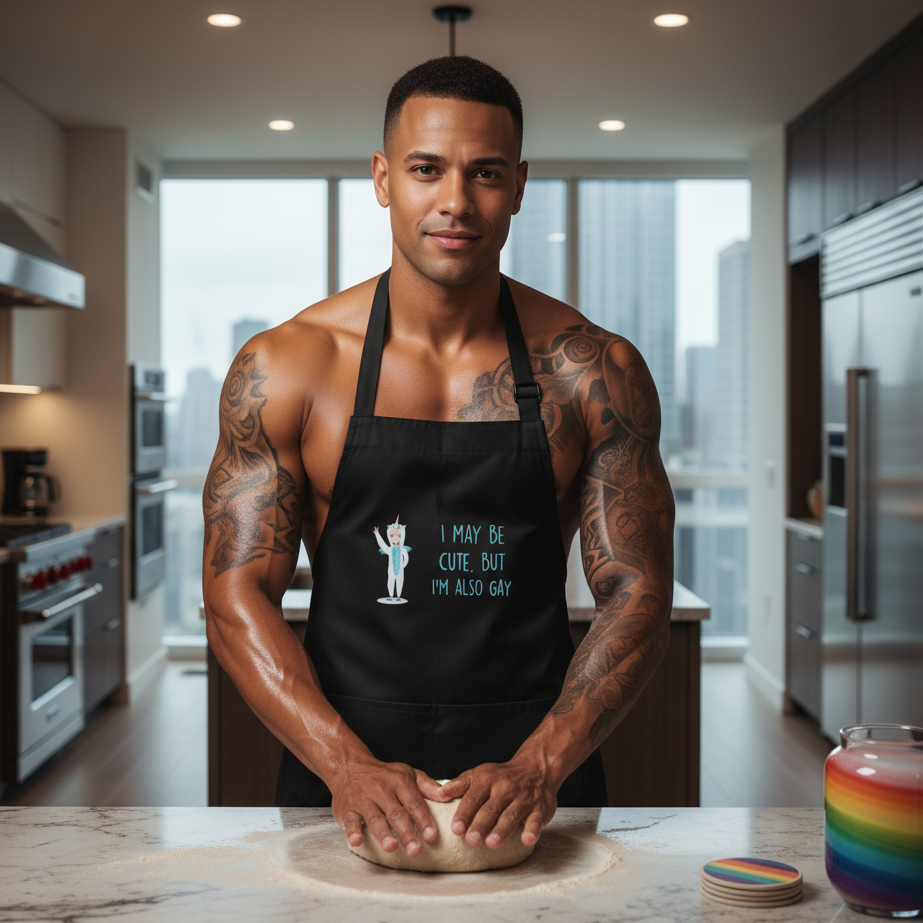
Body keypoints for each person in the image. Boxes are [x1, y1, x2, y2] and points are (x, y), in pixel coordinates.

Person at [202, 55, 674, 861]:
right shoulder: (290, 365)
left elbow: (636, 591)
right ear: (384, 178)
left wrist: (542, 762)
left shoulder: (592, 369)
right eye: (427, 169)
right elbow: (235, 589)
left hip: (536, 781)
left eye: (485, 173)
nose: (455, 201)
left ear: (518, 185)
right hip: (338, 770)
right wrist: (345, 763)